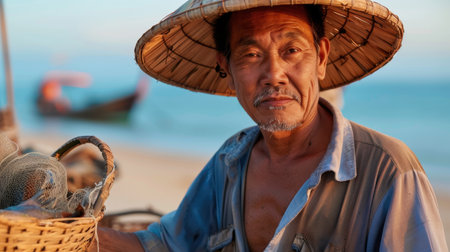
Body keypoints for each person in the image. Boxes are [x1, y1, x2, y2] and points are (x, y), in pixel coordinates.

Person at [90, 0, 448, 251]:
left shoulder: (388, 170)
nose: (274, 74)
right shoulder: (229, 163)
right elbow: (165, 245)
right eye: (250, 55)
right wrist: (66, 234)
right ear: (226, 69)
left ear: (320, 58)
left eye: (292, 51)